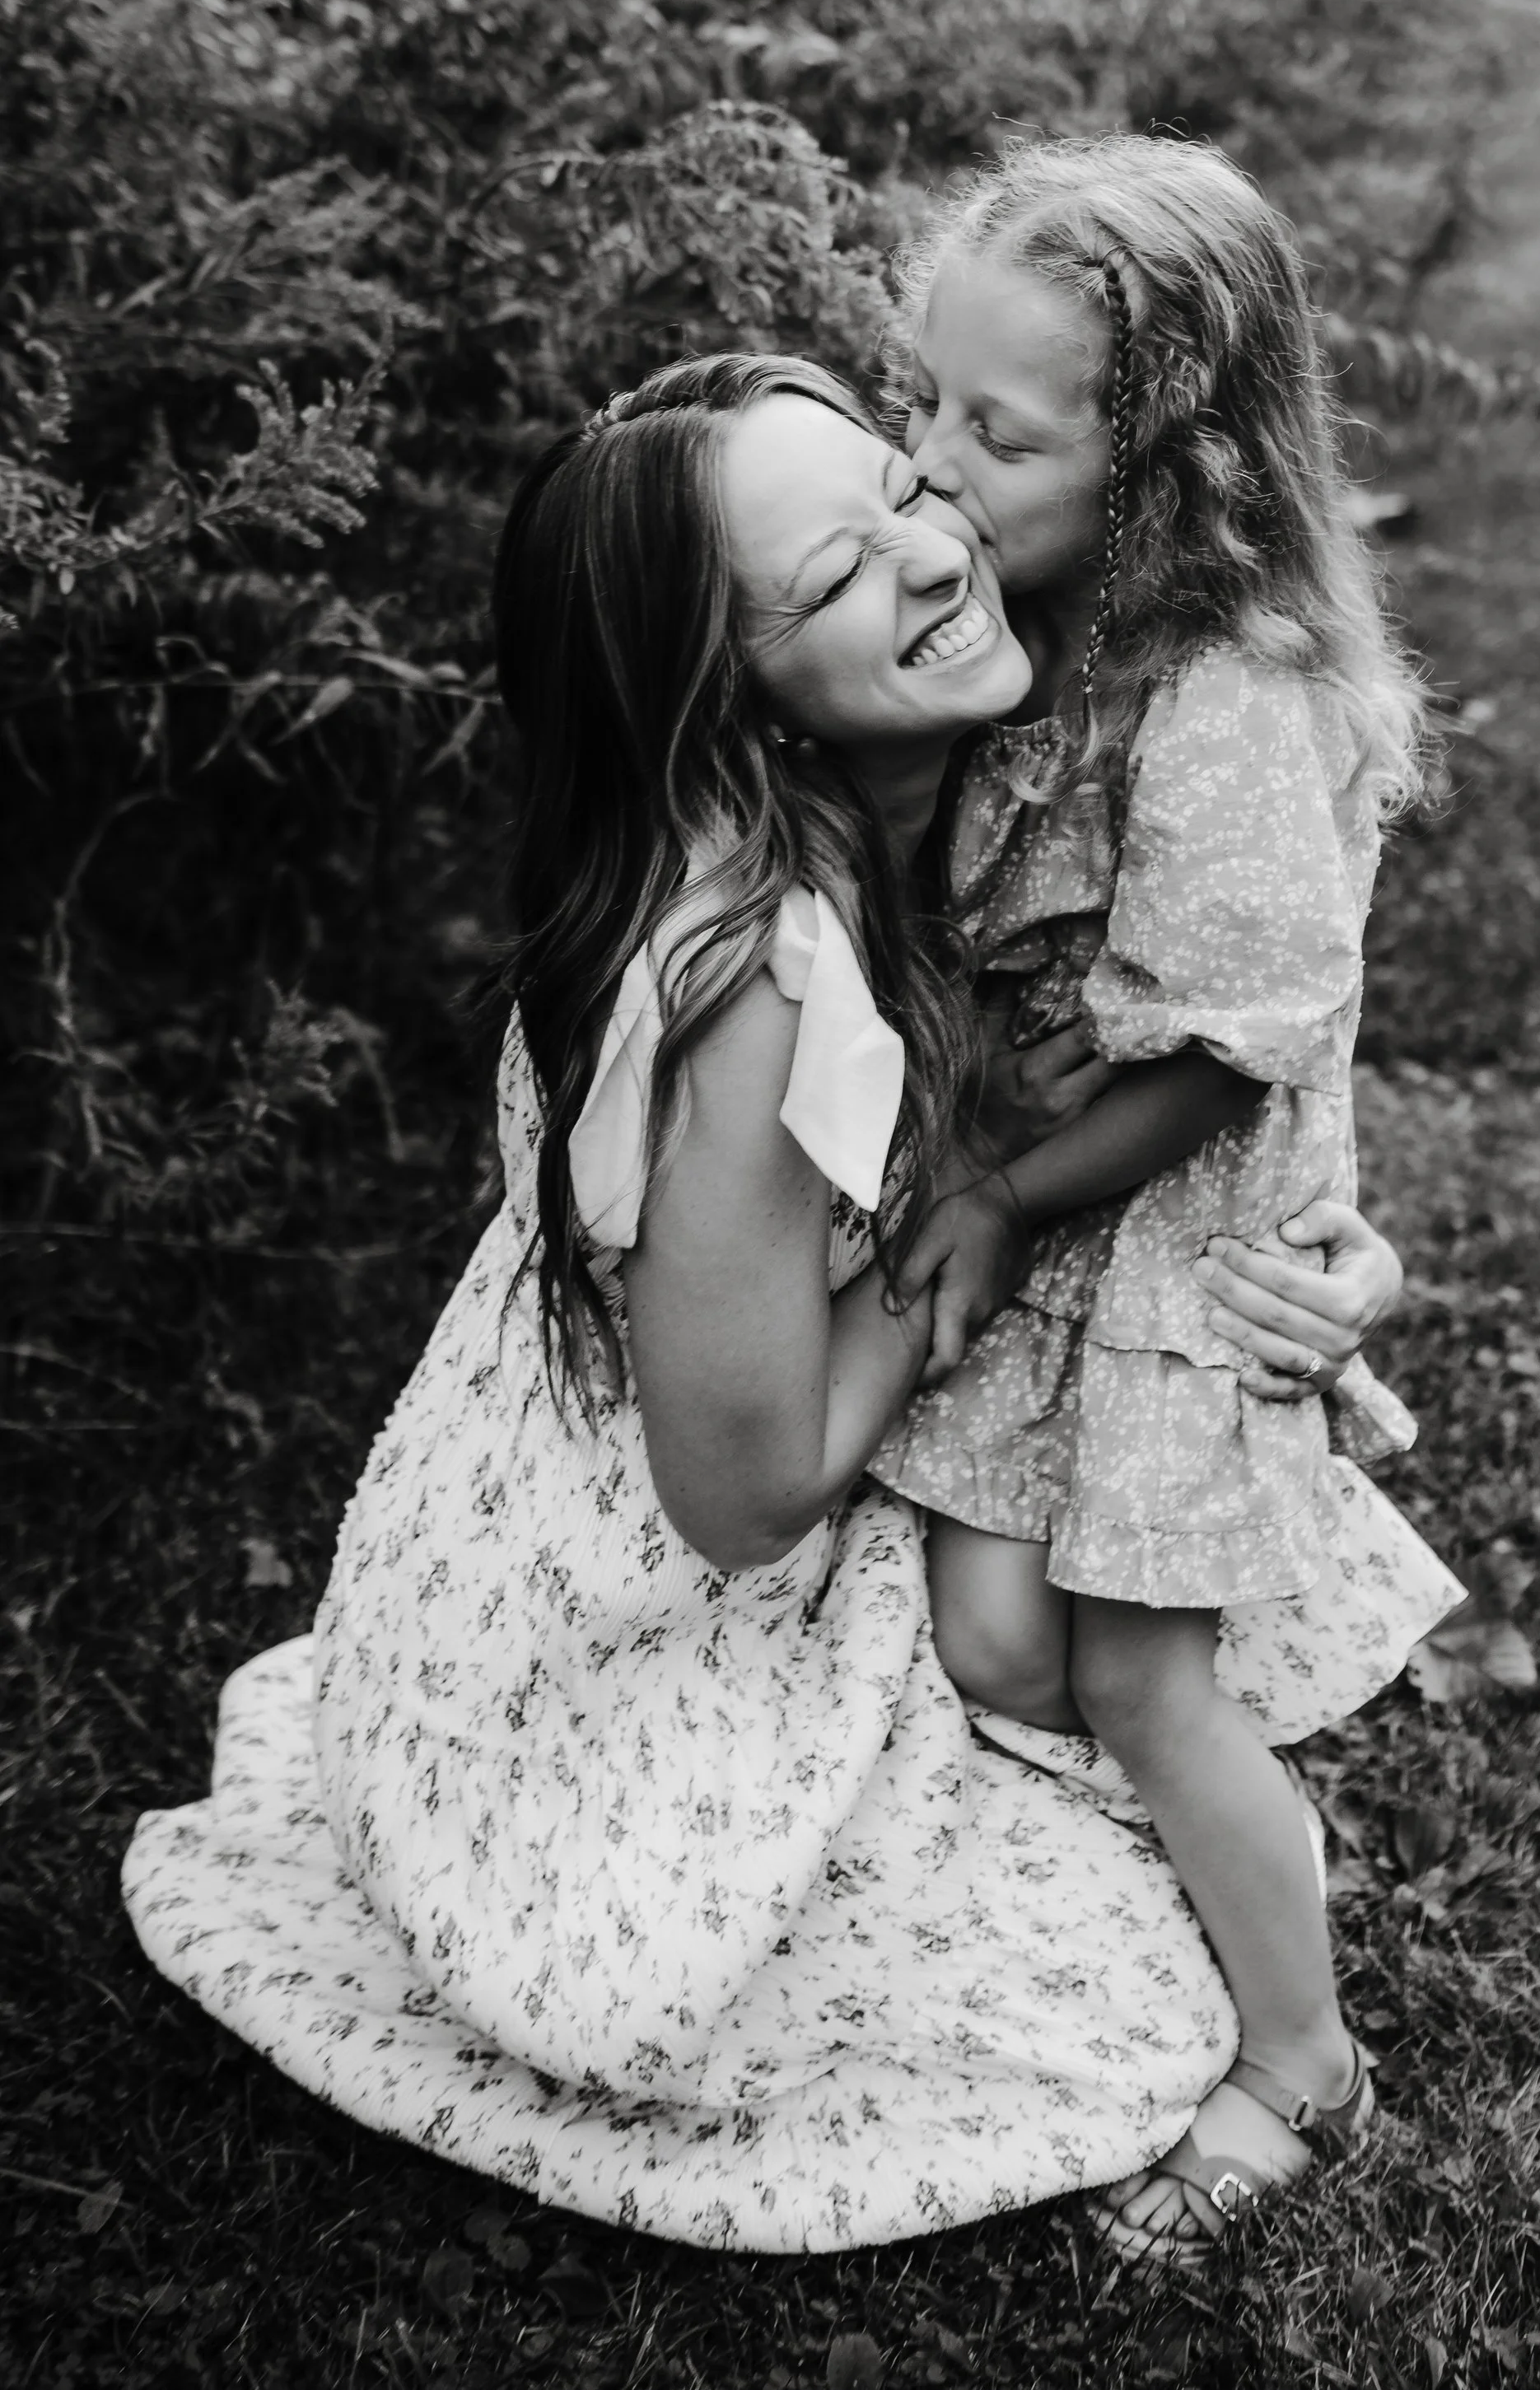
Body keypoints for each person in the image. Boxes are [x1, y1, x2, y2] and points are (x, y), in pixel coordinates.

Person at [123, 352, 1416, 2252]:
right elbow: (737, 1496)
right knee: (1099, 1995)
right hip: (649, 1589)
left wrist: (1321, 1244)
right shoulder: (740, 982)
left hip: (804, 1446)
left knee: (1060, 1662)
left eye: (899, 492)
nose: (930, 554)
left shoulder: (972, 747)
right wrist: (966, 1212)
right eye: (834, 579)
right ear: (726, 701)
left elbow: (1236, 1020)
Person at [866, 138, 1462, 2262]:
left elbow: (1226, 1047)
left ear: (1165, 467)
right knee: (989, 1635)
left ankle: (1298, 2058)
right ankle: (1186, 1873)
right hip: (1058, 1196)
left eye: (999, 434)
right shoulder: (1034, 618)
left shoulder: (1220, 689)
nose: (930, 462)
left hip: (1173, 1226)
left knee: (1134, 1676)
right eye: (922, 399)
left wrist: (1004, 1193)